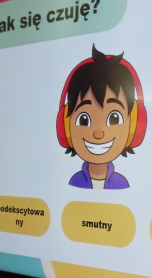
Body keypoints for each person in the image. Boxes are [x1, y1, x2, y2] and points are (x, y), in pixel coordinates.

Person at [56, 45, 147, 189]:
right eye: (84, 120)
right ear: (66, 126)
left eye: (114, 118)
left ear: (134, 125)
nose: (98, 133)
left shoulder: (122, 184)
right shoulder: (74, 182)